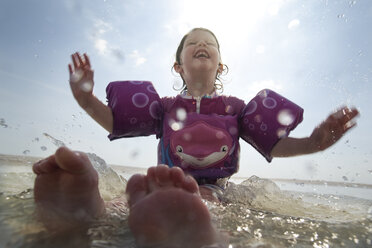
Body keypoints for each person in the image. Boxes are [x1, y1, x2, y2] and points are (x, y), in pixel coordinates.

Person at [33, 28, 359, 247]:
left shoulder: (237, 109)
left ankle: (185, 218)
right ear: (178, 66)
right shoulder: (163, 107)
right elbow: (116, 121)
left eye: (210, 44)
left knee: (206, 195)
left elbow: (274, 144)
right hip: (166, 180)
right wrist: (87, 100)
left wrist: (315, 142)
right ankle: (86, 209)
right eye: (192, 43)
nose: (201, 45)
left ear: (221, 65)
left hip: (212, 186)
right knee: (132, 195)